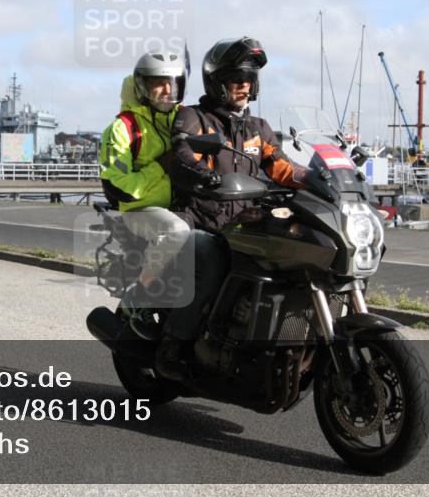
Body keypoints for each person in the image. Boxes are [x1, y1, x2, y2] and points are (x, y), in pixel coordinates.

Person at [156, 36, 311, 379]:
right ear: (217, 82)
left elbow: (283, 168)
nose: (244, 86)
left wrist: (319, 180)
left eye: (249, 80)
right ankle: (173, 347)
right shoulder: (194, 118)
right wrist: (205, 177)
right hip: (201, 221)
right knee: (212, 263)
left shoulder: (259, 129)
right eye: (237, 80)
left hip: (243, 225)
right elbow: (183, 155)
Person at [99, 52, 192, 330]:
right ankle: (136, 298)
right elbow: (116, 187)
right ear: (143, 86)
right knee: (176, 232)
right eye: (159, 83)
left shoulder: (183, 119)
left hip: (180, 204)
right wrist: (161, 166)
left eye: (173, 83)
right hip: (140, 209)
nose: (167, 90)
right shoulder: (122, 128)